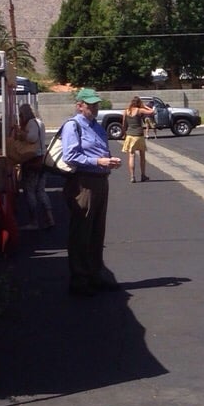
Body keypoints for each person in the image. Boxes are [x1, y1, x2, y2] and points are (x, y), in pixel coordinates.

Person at [61, 88, 122, 297]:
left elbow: (99, 150)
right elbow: (70, 156)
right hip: (83, 182)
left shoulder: (96, 126)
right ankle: (79, 279)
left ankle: (95, 274)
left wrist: (108, 162)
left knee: (97, 231)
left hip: (100, 180)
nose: (95, 108)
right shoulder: (73, 126)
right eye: (90, 105)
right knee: (81, 231)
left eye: (96, 104)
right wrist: (98, 161)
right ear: (80, 105)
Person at [17, 103, 54, 230]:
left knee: (30, 191)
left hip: (32, 160)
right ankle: (49, 218)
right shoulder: (40, 122)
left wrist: (22, 135)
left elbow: (32, 138)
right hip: (42, 160)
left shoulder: (31, 123)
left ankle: (34, 221)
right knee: (41, 191)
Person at [122, 96, 155, 182]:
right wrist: (144, 106)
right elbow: (152, 111)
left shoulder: (126, 111)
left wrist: (124, 134)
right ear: (138, 103)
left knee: (131, 155)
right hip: (139, 135)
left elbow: (123, 124)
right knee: (142, 156)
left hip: (129, 135)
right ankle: (143, 175)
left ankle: (132, 176)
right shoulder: (139, 110)